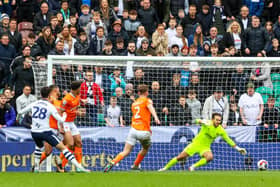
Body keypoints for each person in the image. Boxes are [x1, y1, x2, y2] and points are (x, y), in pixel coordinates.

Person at [17, 86, 89, 173]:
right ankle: (37, 166)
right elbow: (59, 112)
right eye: (57, 90)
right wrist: (64, 117)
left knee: (71, 144)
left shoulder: (60, 100)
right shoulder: (51, 101)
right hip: (50, 128)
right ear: (52, 92)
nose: (59, 92)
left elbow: (21, 112)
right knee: (48, 151)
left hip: (55, 127)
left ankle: (62, 165)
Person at [158, 113, 247, 172]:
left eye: (219, 120)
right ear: (212, 120)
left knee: (210, 157)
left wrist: (238, 149)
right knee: (180, 157)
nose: (218, 122)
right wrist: (201, 121)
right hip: (195, 144)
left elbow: (228, 140)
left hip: (205, 147)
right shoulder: (207, 123)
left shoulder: (220, 130)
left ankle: (192, 167)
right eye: (216, 120)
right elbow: (196, 120)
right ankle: (164, 168)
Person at [104, 84, 160, 172]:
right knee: (145, 148)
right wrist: (156, 117)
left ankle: (112, 162)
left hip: (133, 130)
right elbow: (150, 107)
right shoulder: (147, 100)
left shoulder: (134, 103)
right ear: (147, 92)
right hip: (143, 131)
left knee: (126, 151)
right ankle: (135, 165)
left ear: (138, 93)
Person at [56, 81, 84, 172]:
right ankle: (60, 164)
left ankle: (79, 166)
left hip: (71, 122)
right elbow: (60, 112)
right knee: (70, 144)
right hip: (65, 123)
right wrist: (60, 126)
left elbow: (74, 109)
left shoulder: (78, 96)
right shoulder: (66, 99)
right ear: (76, 89)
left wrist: (79, 112)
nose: (81, 89)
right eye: (80, 87)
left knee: (79, 142)